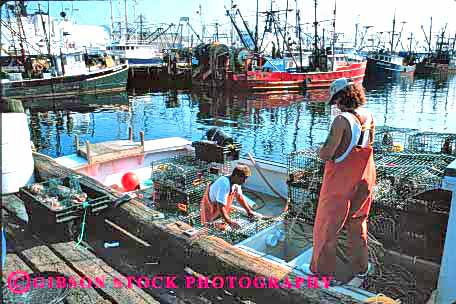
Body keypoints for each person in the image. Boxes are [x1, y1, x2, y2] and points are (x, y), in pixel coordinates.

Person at [304, 78, 376, 280]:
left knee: (328, 228)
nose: (335, 105)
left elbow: (327, 153)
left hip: (341, 182)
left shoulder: (342, 120)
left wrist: (320, 150)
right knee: (357, 224)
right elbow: (368, 144)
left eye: (335, 101)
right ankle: (361, 270)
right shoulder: (369, 115)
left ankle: (320, 273)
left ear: (341, 98)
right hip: (365, 177)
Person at [200, 164, 256, 230]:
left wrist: (249, 211)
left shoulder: (236, 182)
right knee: (209, 226)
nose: (244, 181)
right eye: (243, 179)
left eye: (245, 179)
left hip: (220, 206)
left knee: (221, 224)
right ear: (236, 176)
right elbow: (220, 206)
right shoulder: (224, 184)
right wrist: (230, 222)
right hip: (211, 206)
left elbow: (239, 197)